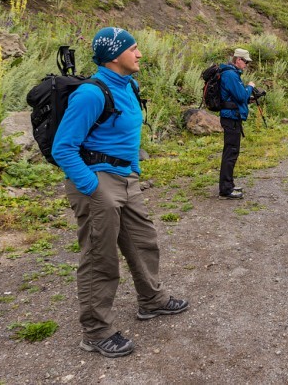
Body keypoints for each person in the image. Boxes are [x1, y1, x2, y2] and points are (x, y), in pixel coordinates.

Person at [52, 27, 189, 359]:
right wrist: (92, 187)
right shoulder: (91, 94)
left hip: (126, 178)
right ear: (115, 55)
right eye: (134, 48)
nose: (140, 53)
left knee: (144, 241)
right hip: (97, 181)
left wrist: (134, 172)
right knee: (101, 257)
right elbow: (63, 148)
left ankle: (152, 300)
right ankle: (96, 332)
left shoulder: (129, 85)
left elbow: (126, 136)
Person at [218, 48, 255, 200]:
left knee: (231, 152)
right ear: (238, 60)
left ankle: (229, 185)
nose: (246, 65)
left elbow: (237, 97)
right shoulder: (231, 75)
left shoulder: (231, 74)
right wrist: (250, 87)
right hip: (231, 119)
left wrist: (248, 96)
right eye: (245, 61)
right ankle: (226, 190)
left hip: (232, 117)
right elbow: (240, 96)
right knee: (231, 153)